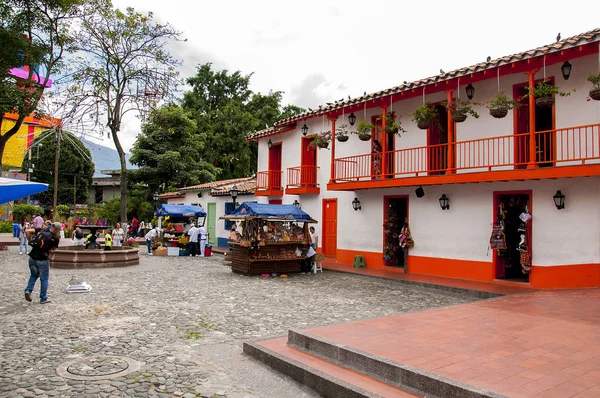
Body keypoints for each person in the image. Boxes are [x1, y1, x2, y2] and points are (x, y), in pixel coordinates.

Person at [24, 221, 61, 304]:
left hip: (32, 257)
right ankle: (43, 298)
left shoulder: (41, 230)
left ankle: (28, 290)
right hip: (43, 259)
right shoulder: (55, 238)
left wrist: (30, 241)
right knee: (44, 278)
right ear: (58, 229)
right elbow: (53, 249)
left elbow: (27, 231)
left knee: (34, 275)